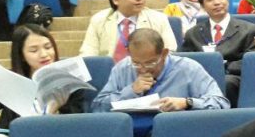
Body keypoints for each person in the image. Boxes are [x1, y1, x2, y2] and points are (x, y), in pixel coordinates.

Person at [0, 25, 86, 137]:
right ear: (21, 55)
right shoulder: (11, 81)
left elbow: (77, 130)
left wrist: (53, 109)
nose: (44, 54)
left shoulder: (69, 82)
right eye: (34, 50)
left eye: (48, 47)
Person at [92, 28, 229, 113]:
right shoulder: (122, 68)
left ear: (164, 54)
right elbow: (97, 107)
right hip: (129, 133)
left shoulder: (188, 68)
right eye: (136, 63)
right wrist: (131, 91)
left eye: (150, 63)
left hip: (173, 134)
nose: (143, 69)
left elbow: (221, 103)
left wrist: (187, 103)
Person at [181, 0, 255, 104]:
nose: (216, 2)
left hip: (233, 78)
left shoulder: (249, 30)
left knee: (225, 82)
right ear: (202, 5)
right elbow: (184, 61)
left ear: (227, 0)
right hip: (201, 77)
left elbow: (251, 60)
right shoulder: (193, 34)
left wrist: (223, 66)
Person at [80, 0, 177, 59]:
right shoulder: (99, 20)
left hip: (149, 70)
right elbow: (88, 54)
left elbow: (169, 52)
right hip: (109, 72)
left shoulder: (159, 19)